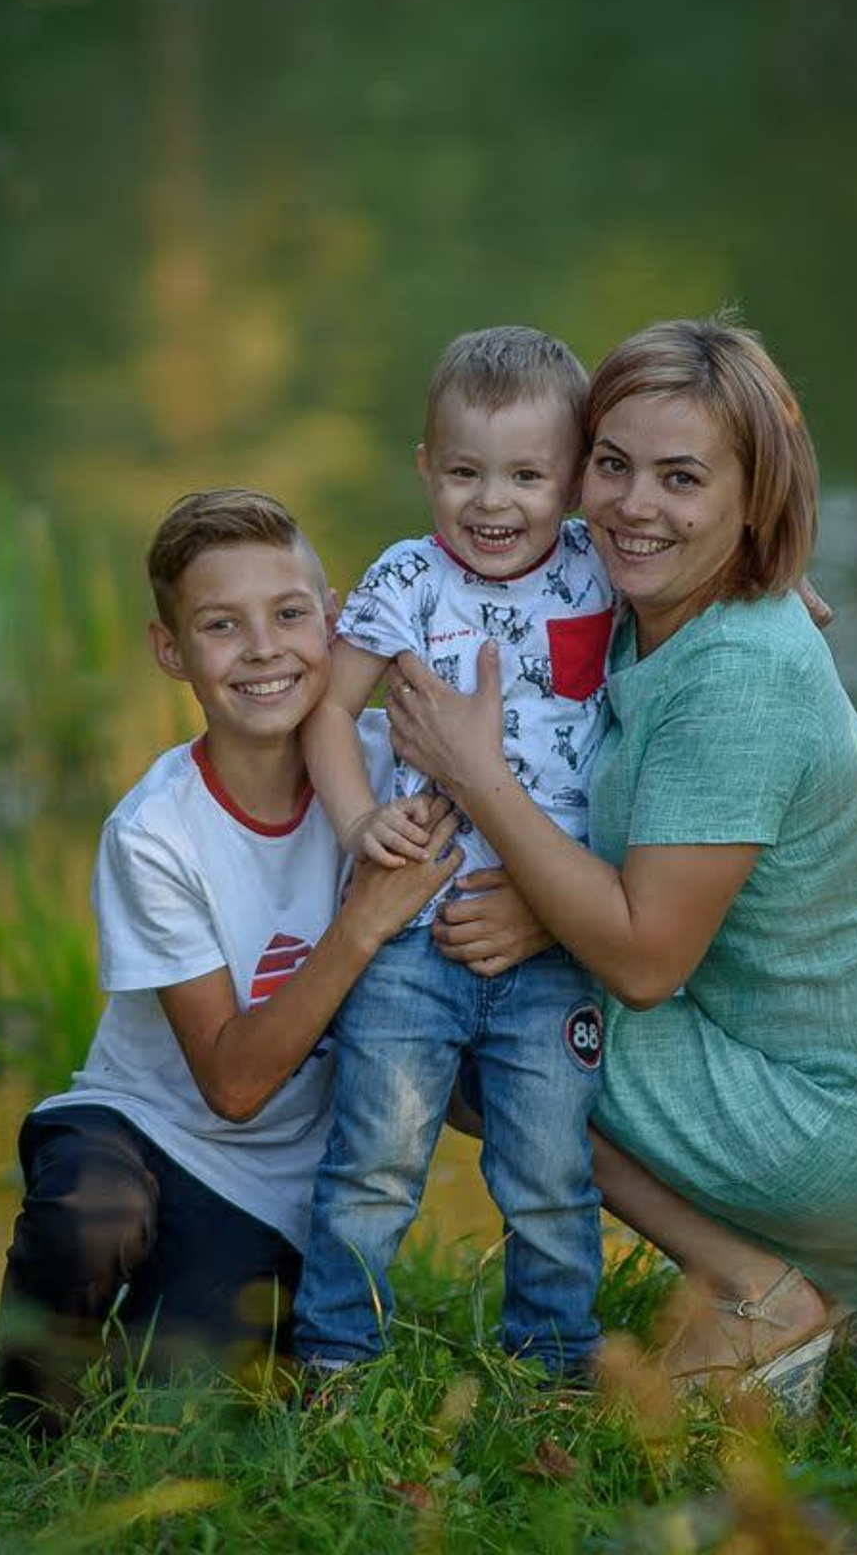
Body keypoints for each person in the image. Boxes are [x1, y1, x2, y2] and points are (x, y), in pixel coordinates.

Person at [386, 319, 857, 1417]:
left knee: (462, 1001)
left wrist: (482, 784)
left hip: (847, 1113)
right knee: (476, 959)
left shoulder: (736, 681)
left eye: (681, 479)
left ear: (754, 499)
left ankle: (759, 1286)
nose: (633, 506)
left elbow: (650, 962)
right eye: (611, 466)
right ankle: (808, 1274)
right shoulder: (643, 596)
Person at [0, 489, 458, 1437]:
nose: (265, 648)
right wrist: (361, 924)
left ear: (336, 616)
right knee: (87, 1217)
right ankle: (22, 1406)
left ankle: (143, 1329)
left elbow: (545, 663)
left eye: (289, 614)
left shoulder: (387, 765)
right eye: (221, 626)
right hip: (146, 1126)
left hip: (280, 1185)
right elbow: (232, 1085)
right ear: (171, 652)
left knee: (180, 1404)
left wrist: (748, 588)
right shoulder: (155, 832)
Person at [292, 327, 611, 1378]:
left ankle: (554, 1370)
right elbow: (332, 711)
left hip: (548, 944)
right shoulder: (405, 577)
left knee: (552, 1176)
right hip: (408, 937)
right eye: (465, 472)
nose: (494, 502)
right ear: (426, 466)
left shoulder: (599, 571)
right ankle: (338, 1362)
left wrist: (779, 587)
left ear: (574, 480)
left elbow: (709, 597)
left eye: (528, 475)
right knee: (373, 1165)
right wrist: (353, 824)